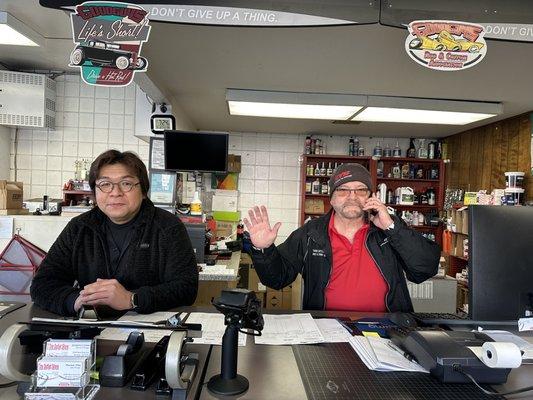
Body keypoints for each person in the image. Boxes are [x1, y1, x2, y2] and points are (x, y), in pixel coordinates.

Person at [244, 163, 440, 312]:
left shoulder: (390, 230)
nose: (352, 196)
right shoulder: (311, 233)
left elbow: (425, 268)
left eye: (360, 190)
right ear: (331, 198)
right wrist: (264, 250)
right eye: (343, 190)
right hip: (326, 328)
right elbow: (277, 279)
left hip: (389, 331)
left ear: (371, 196)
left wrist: (391, 226)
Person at [30, 150, 199, 316]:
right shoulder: (79, 228)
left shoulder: (168, 227)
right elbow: (42, 284)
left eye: (126, 184)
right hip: (90, 329)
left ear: (143, 190)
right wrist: (76, 300)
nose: (115, 192)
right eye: (105, 184)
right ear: (95, 192)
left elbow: (186, 288)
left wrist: (132, 299)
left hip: (150, 332)